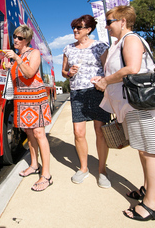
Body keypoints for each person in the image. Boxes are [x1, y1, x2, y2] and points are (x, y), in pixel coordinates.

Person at [91, 5, 155, 221]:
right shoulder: (120, 43)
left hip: (138, 105)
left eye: (110, 21)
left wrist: (105, 80)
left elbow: (132, 68)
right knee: (144, 150)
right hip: (130, 105)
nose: (106, 26)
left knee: (151, 151)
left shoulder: (131, 39)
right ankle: (148, 191)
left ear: (122, 20)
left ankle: (153, 205)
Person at [61, 14, 112, 188]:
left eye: (79, 28)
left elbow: (108, 70)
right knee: (78, 132)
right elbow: (63, 71)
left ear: (88, 29)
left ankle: (102, 171)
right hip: (77, 93)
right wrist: (69, 73)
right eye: (74, 28)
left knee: (100, 131)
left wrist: (102, 79)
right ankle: (83, 169)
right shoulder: (68, 48)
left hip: (97, 91)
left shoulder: (100, 46)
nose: (75, 30)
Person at [4, 25, 53, 192]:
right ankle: (34, 165)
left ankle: (46, 174)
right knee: (29, 133)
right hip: (21, 100)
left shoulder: (34, 53)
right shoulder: (16, 56)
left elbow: (30, 73)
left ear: (27, 40)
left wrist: (17, 60)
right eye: (14, 37)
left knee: (39, 133)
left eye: (19, 38)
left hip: (36, 98)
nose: (15, 40)